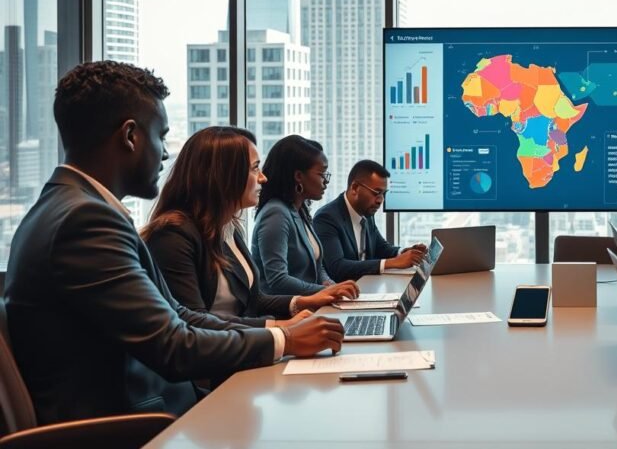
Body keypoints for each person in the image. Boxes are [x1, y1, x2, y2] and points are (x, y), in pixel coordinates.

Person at [2, 62, 343, 424]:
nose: (165, 153)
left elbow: (179, 315)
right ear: (130, 136)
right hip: (134, 426)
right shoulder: (85, 220)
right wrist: (285, 341)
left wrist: (280, 331)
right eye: (161, 136)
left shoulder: (71, 207)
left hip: (160, 410)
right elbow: (173, 346)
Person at [144, 126, 359, 329]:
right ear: (225, 175)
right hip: (219, 354)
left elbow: (253, 299)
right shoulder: (173, 236)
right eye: (255, 168)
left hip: (245, 343)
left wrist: (302, 302)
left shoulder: (229, 227)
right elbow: (193, 321)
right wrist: (279, 328)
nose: (263, 178)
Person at [314, 160, 427, 282]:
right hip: (343, 289)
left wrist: (403, 253)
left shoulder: (366, 212)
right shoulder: (326, 218)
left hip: (368, 284)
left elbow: (380, 247)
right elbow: (337, 267)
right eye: (376, 193)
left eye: (383, 194)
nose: (380, 200)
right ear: (355, 188)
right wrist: (392, 262)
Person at [251, 135, 337, 295]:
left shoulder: (300, 209)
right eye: (322, 174)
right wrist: (325, 292)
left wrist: (331, 285)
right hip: (285, 308)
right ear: (298, 176)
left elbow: (317, 267)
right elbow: (278, 280)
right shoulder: (276, 214)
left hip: (310, 304)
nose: (325, 181)